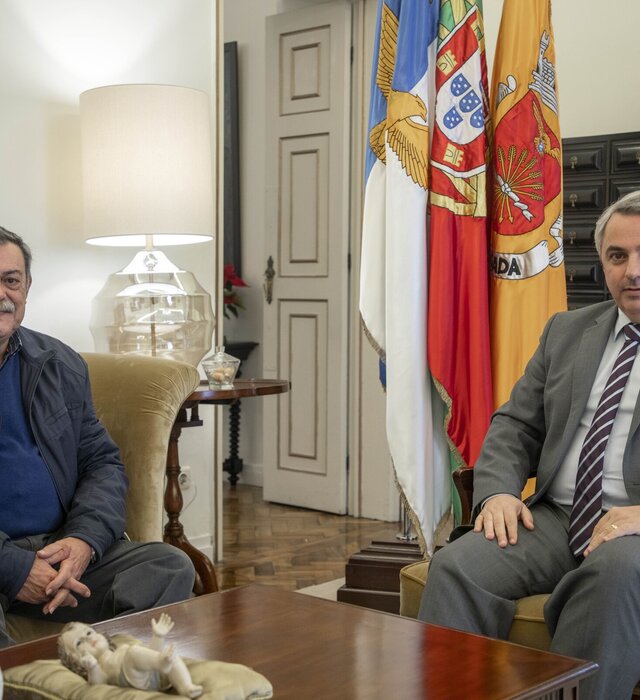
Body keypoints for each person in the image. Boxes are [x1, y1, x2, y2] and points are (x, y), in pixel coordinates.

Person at [419, 189, 640, 700]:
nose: (632, 271)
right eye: (617, 256)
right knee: (455, 567)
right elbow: (515, 424)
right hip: (557, 519)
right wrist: (497, 492)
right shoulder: (567, 331)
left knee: (615, 575)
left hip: (633, 529)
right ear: (602, 263)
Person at [0, 226, 195, 647]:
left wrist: (83, 540)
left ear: (27, 287)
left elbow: (100, 464)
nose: (2, 294)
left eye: (10, 280)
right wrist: (14, 569)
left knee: (169, 566)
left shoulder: (58, 364)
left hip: (58, 548)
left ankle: (110, 670)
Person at [58, 613, 203, 698]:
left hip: (151, 673)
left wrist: (158, 636)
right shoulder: (100, 665)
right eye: (79, 643)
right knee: (133, 652)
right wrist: (93, 667)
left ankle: (186, 686)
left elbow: (150, 654)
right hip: (132, 680)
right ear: (75, 659)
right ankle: (162, 662)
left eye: (89, 632)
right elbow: (99, 684)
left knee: (171, 655)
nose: (88, 638)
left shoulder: (119, 650)